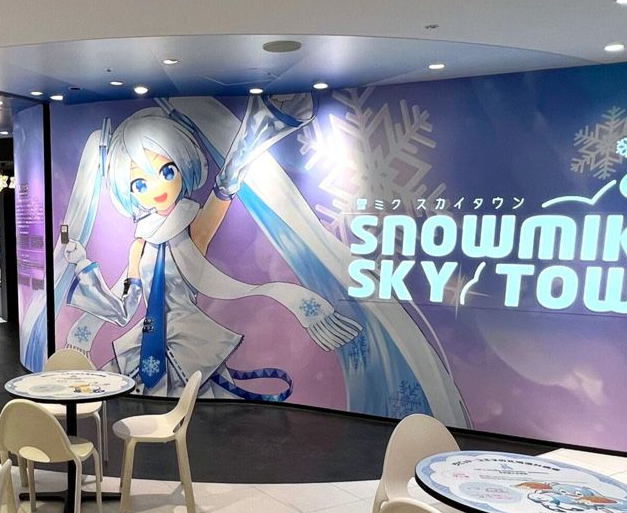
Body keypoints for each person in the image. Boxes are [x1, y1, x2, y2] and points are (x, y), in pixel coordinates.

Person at [55, 95, 469, 423]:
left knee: (192, 412)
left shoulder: (192, 227)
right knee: (139, 411)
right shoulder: (140, 244)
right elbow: (126, 304)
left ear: (183, 167)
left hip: (188, 340)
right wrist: (84, 271)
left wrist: (244, 153)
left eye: (166, 171)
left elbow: (221, 194)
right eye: (139, 182)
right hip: (146, 341)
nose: (157, 189)